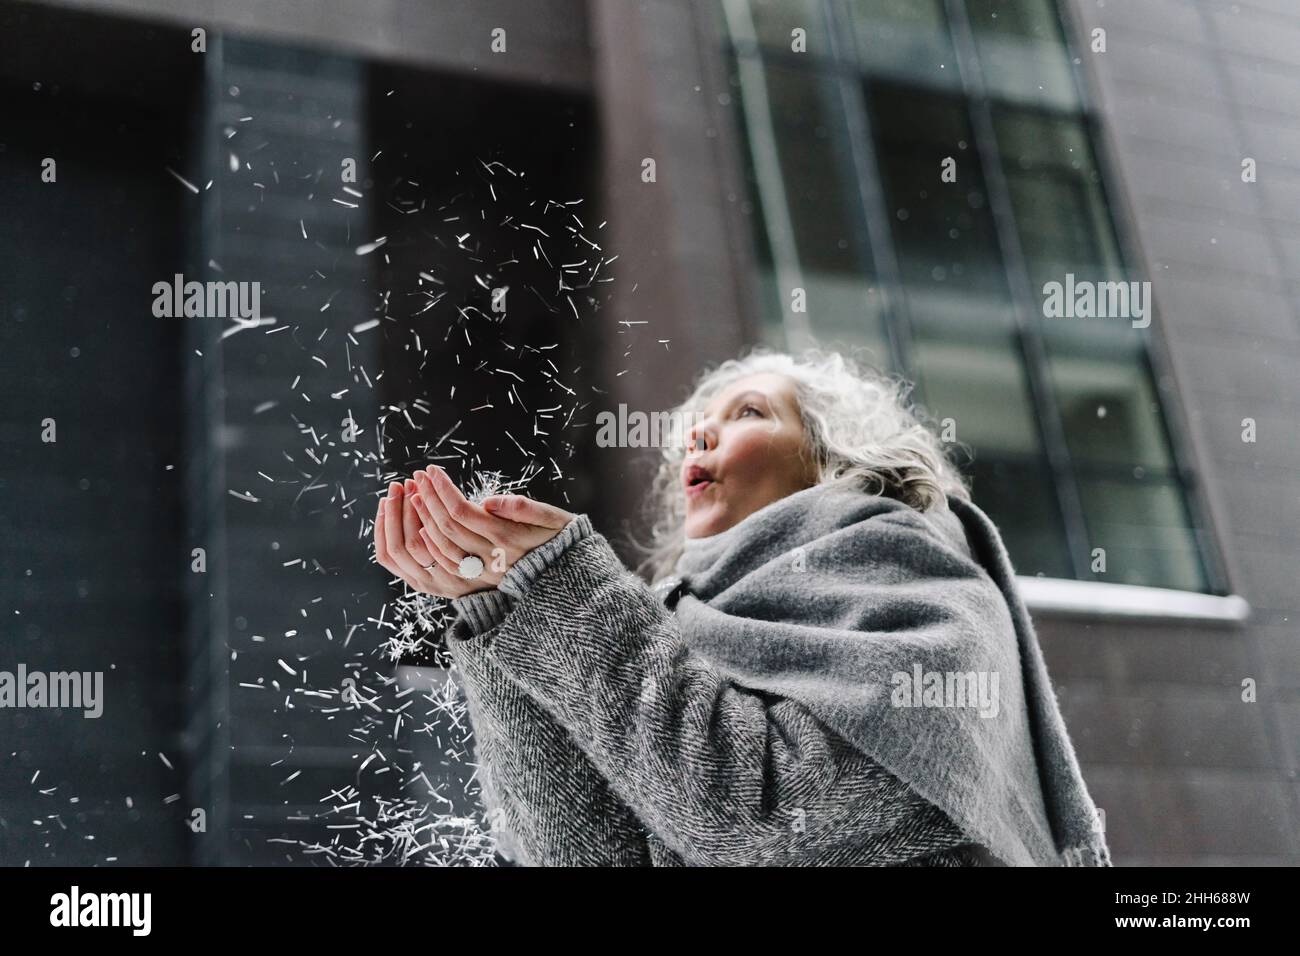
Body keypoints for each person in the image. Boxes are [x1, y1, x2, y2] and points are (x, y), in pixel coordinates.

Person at [373, 346, 1112, 867]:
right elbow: (584, 855)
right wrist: (504, 611)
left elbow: (759, 821)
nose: (697, 432)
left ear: (834, 457)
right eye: (697, 424)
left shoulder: (926, 590)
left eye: (749, 412)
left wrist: (567, 592)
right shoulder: (671, 626)